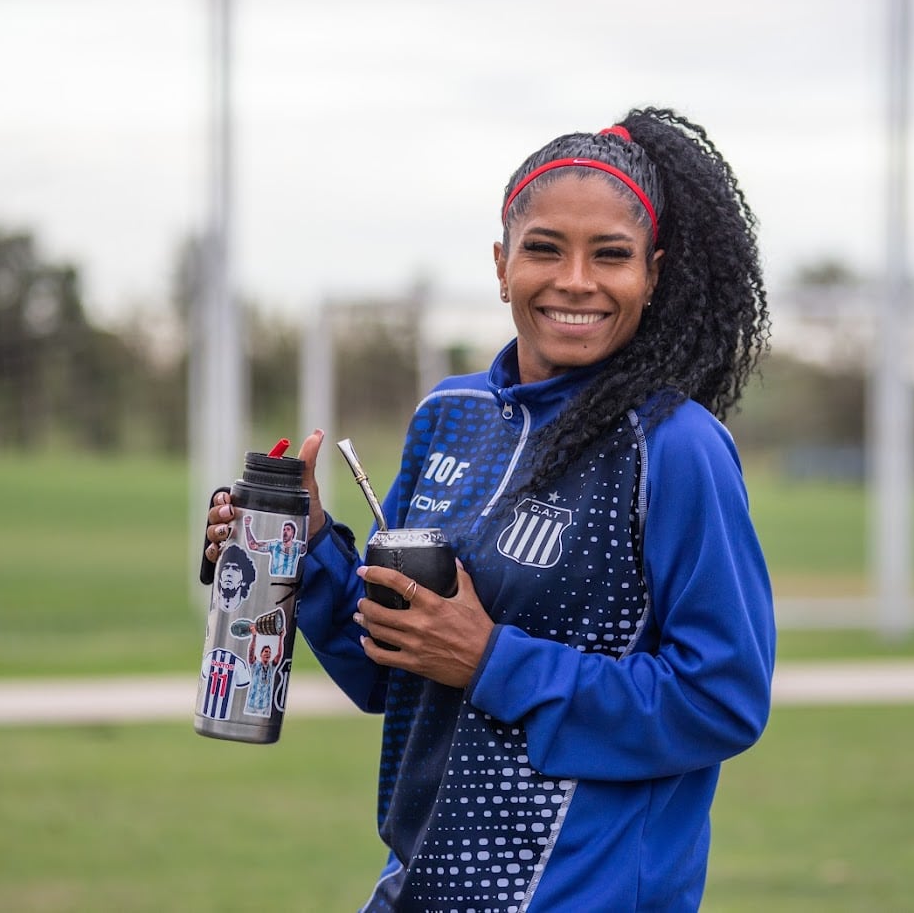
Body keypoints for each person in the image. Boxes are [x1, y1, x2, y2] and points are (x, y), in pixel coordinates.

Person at [202, 107, 775, 912]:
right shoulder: (451, 413)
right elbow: (386, 669)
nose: (575, 279)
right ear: (503, 266)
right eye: (545, 248)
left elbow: (722, 698)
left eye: (610, 255)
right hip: (421, 889)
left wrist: (492, 661)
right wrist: (308, 546)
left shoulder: (677, 446)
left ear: (651, 273)